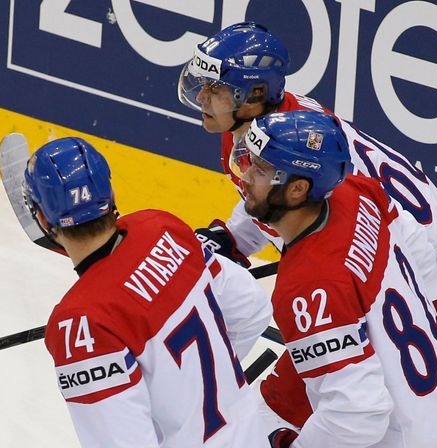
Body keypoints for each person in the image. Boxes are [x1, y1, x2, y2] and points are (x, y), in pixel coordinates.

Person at [178, 21, 437, 427]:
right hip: (424, 250)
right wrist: (234, 237)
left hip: (418, 261)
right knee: (413, 412)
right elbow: (276, 196)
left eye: (216, 89)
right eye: (202, 83)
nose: (202, 97)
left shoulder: (288, 150)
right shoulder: (279, 128)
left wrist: (343, 290)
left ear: (255, 94)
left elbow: (337, 226)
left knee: (301, 409)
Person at [231, 110, 437, 447]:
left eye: (261, 170)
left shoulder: (307, 287)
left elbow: (357, 416)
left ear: (298, 189)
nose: (245, 177)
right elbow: (418, 252)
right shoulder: (360, 194)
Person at [21, 136, 274, 447]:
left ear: (44, 219)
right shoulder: (163, 228)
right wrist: (199, 388)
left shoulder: (81, 324)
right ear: (110, 194)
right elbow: (251, 307)